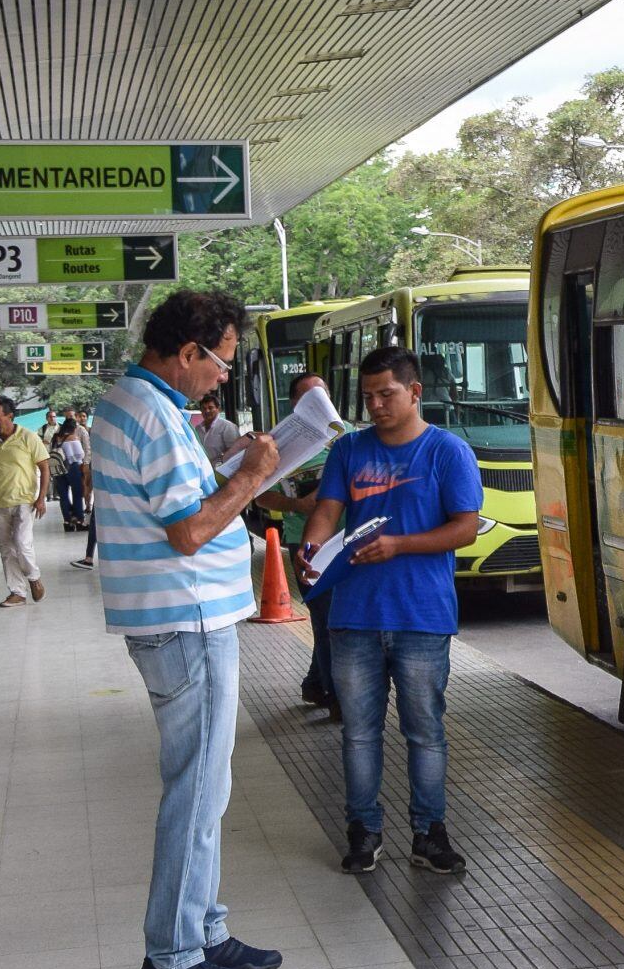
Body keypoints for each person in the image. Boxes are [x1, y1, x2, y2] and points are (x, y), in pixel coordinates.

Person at [91, 289, 282, 969]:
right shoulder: (155, 416)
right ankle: (173, 955)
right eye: (221, 361)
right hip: (187, 621)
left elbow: (175, 502)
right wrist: (254, 476)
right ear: (187, 352)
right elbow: (189, 532)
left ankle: (202, 927)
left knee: (208, 784)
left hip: (174, 619)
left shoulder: (135, 404)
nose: (225, 377)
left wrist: (225, 466)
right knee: (197, 792)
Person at [302, 345, 479, 877]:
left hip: (422, 617)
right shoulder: (349, 451)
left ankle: (429, 833)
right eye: (368, 396)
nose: (376, 405)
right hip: (353, 615)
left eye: (387, 394)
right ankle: (363, 830)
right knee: (358, 732)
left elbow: (465, 527)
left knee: (424, 731)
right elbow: (327, 511)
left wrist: (398, 545)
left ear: (415, 392)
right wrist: (310, 551)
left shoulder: (447, 451)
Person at [250, 372, 337, 717]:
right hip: (307, 545)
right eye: (308, 398)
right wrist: (297, 505)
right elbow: (258, 495)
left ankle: (317, 683)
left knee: (334, 620)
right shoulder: (280, 444)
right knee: (326, 618)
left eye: (323, 394)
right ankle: (333, 695)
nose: (318, 402)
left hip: (348, 542)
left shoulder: (352, 437)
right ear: (296, 405)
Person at [0, 396, 50, 607]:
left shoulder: (28, 437)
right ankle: (17, 592)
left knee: (21, 543)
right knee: (6, 549)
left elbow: (44, 467)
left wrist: (41, 498)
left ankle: (34, 577)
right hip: (0, 501)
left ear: (10, 416)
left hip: (24, 500)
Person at [55, 418, 89, 531]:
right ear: (74, 428)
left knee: (63, 496)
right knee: (77, 494)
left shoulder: (56, 437)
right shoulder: (73, 437)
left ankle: (67, 522)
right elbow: (80, 455)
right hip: (73, 468)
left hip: (58, 469)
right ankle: (79, 520)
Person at [195, 393, 242, 467]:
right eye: (204, 408)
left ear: (218, 409)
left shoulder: (227, 427)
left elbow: (235, 451)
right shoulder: (198, 429)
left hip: (222, 470)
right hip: (204, 469)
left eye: (210, 408)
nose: (207, 411)